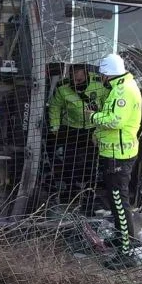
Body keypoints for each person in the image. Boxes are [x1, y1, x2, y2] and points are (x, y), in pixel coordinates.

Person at [86, 53, 142, 269]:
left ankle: (126, 254)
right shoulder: (124, 86)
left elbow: (115, 121)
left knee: (119, 204)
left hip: (118, 156)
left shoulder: (123, 91)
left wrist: (93, 117)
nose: (100, 77)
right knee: (117, 201)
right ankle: (123, 239)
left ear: (107, 74)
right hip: (115, 153)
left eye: (101, 74)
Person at [48, 63, 109, 205]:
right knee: (70, 161)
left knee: (91, 162)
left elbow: (107, 104)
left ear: (87, 74)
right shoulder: (63, 88)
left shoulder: (99, 84)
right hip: (71, 128)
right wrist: (54, 127)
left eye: (79, 80)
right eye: (73, 80)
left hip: (93, 129)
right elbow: (55, 107)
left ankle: (89, 191)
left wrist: (104, 125)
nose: (75, 83)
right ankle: (71, 190)